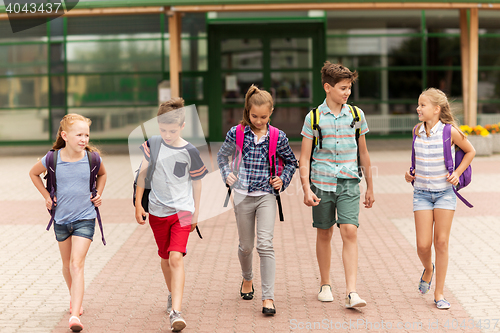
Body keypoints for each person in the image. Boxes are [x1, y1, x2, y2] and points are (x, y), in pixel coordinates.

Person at [298, 62, 374, 308]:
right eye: (343, 88)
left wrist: (371, 186)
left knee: (349, 230)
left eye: (349, 88)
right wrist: (306, 189)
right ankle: (325, 284)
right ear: (327, 87)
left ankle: (352, 291)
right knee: (325, 232)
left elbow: (363, 152)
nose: (347, 93)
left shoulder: (356, 115)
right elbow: (305, 158)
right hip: (321, 183)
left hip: (350, 181)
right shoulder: (314, 117)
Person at [217, 85, 297, 315]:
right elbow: (222, 156)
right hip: (242, 195)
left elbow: (291, 162)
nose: (259, 120)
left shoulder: (277, 136)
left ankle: (268, 298)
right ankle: (247, 278)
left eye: (264, 116)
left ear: (271, 112)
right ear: (247, 111)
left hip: (266, 196)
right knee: (246, 246)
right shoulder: (237, 133)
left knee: (265, 244)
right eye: (254, 116)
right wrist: (227, 174)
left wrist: (282, 179)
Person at [134, 97, 207, 331]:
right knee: (165, 259)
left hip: (183, 211)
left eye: (172, 130)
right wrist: (138, 205)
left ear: (183, 127)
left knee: (176, 258)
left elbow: (197, 183)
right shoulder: (152, 145)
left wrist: (196, 212)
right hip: (156, 211)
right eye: (163, 129)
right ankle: (171, 292)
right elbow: (142, 177)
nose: (167, 134)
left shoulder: (190, 151)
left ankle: (176, 312)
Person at [29, 114, 107, 332]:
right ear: (65, 135)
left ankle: (75, 315)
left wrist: (98, 194)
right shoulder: (52, 159)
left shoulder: (93, 158)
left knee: (76, 264)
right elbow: (33, 173)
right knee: (66, 265)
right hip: (61, 219)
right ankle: (75, 298)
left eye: (87, 135)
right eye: (79, 134)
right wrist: (46, 196)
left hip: (86, 217)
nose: (84, 139)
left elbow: (102, 175)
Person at [405, 88, 475, 309]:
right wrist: (409, 174)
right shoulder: (416, 130)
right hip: (422, 194)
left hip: (445, 193)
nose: (418, 108)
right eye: (418, 104)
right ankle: (428, 268)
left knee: (441, 243)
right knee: (423, 245)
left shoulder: (449, 131)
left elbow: (470, 151)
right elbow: (415, 162)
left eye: (422, 105)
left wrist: (457, 172)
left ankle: (439, 293)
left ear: (436, 109)